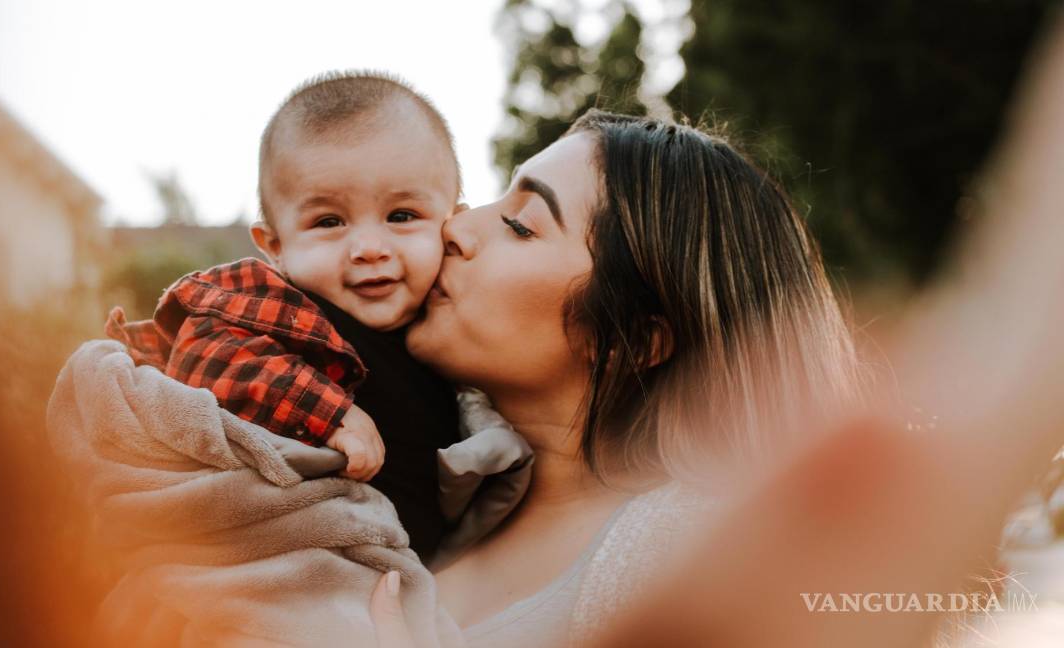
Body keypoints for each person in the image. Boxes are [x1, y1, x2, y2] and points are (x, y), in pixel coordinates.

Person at [372, 108, 864, 645]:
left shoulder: (689, 562)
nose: (456, 227)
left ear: (635, 340)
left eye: (520, 225)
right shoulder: (413, 481)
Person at [104, 71, 467, 564]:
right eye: (328, 222)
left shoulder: (456, 322)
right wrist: (326, 412)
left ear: (454, 222)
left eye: (402, 215)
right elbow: (206, 353)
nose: (368, 249)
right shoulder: (280, 305)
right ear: (275, 246)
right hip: (288, 565)